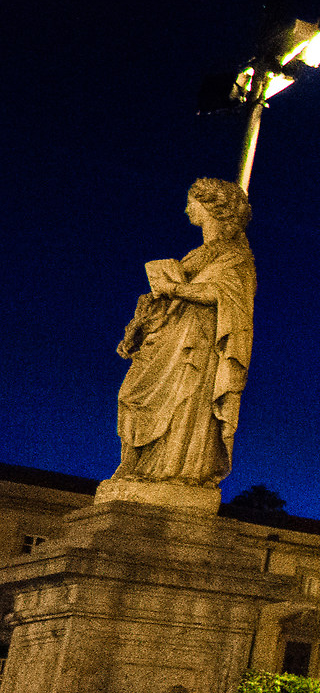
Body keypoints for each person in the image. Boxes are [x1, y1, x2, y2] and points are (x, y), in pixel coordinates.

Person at [109, 178, 256, 489]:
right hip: (167, 338)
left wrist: (174, 288)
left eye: (194, 202)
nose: (188, 208)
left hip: (197, 342)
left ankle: (173, 471)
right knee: (132, 395)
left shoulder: (235, 254)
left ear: (213, 208)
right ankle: (138, 468)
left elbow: (225, 295)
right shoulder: (195, 256)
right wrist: (144, 317)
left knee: (183, 403)